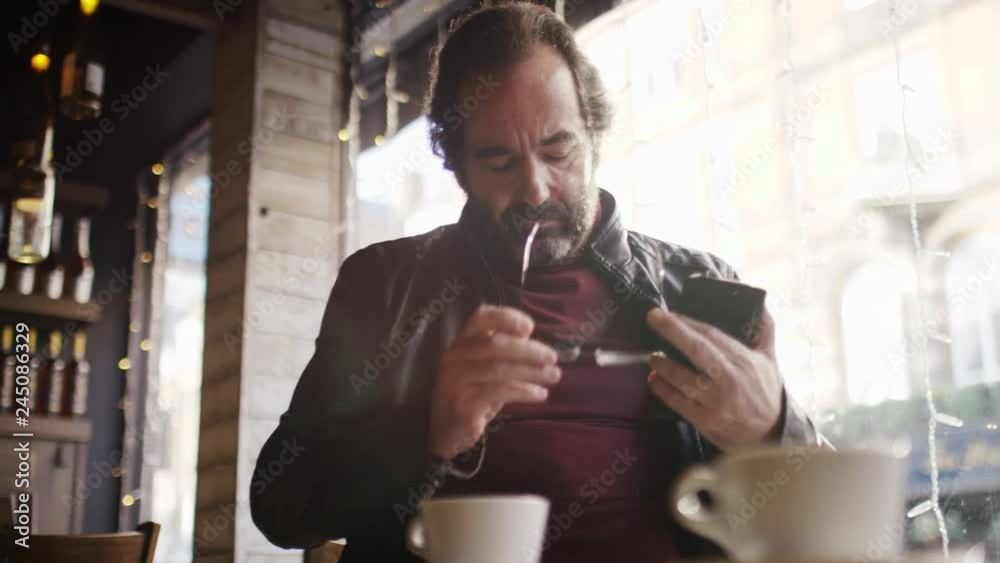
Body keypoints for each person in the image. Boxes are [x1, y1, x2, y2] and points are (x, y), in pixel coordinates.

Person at [251, 3, 825, 561]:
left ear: (594, 133)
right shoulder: (384, 284)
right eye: (500, 162)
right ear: (455, 164)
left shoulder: (697, 287)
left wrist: (772, 431)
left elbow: (819, 521)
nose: (536, 190)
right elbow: (281, 507)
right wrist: (429, 433)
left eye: (559, 151)